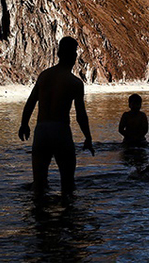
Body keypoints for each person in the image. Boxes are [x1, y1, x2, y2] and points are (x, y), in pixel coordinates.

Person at [18, 36, 95, 198]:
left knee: (39, 185)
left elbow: (31, 102)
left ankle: (38, 212)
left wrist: (24, 124)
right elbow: (80, 115)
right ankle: (67, 212)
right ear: (74, 56)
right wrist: (88, 137)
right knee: (67, 185)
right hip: (60, 130)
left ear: (59, 54)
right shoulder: (75, 83)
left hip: (41, 131)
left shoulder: (44, 76)